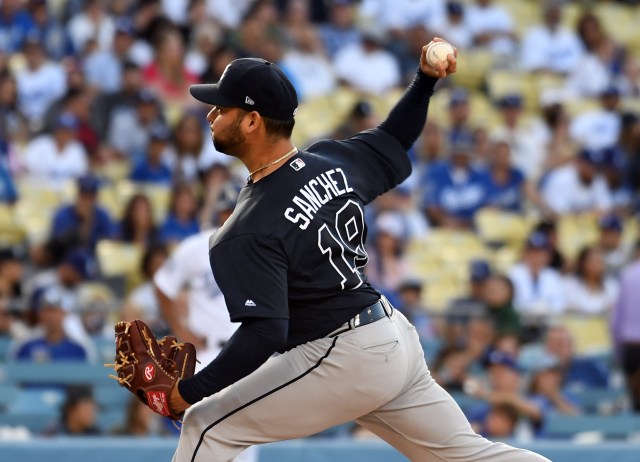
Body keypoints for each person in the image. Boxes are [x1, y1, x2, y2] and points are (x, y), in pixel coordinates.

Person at [167, 41, 548, 461]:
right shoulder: (330, 160)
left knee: (206, 424)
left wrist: (186, 393)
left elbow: (265, 333)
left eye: (222, 109)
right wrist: (424, 81)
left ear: (253, 121)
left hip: (345, 354)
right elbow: (395, 137)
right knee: (470, 456)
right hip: (390, 336)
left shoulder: (245, 230)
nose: (210, 115)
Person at [611, 241, 640, 412]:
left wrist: (618, 352)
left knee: (636, 402)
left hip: (630, 346)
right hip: (631, 343)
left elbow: (616, 319)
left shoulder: (627, 275)